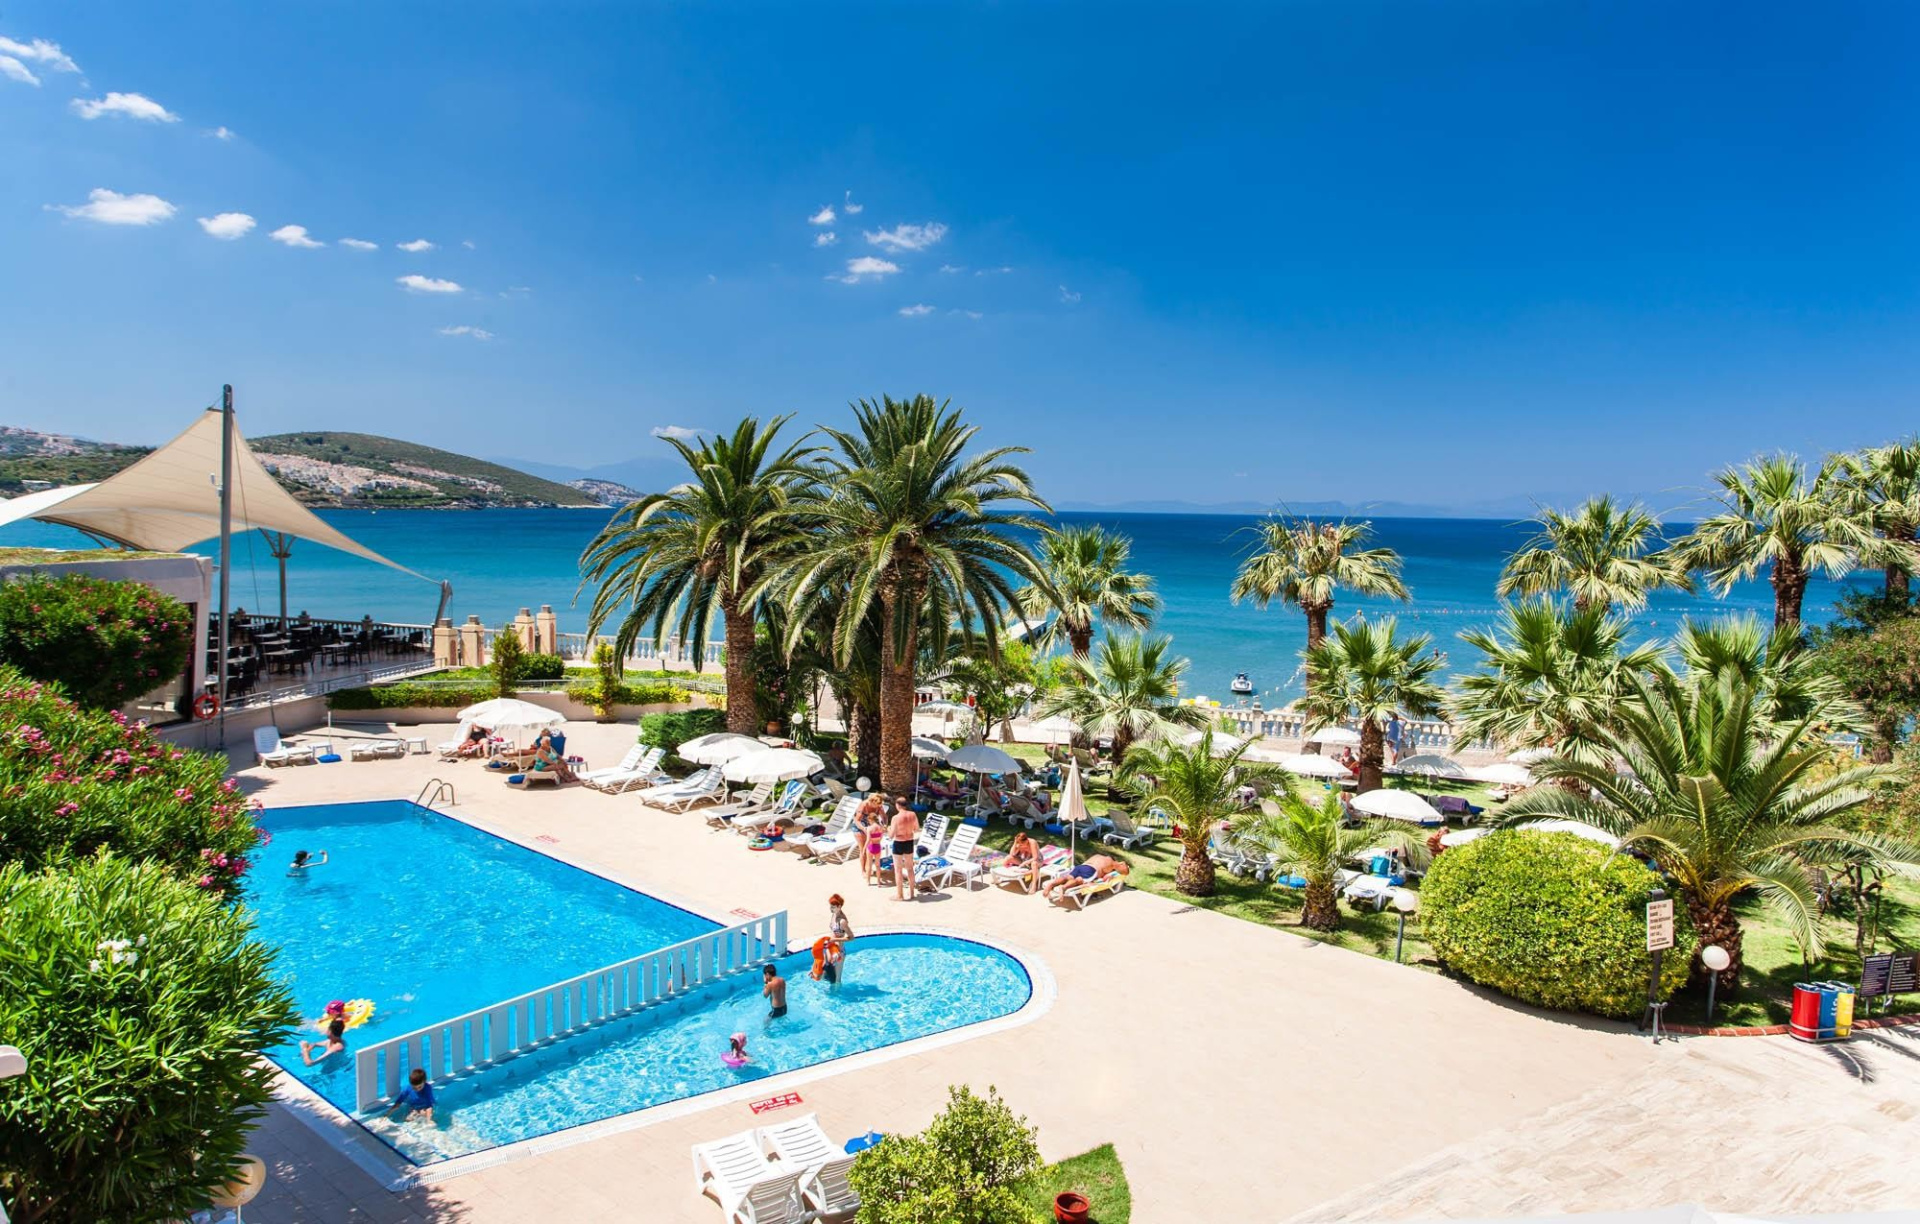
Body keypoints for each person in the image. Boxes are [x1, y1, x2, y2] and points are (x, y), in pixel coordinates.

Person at [1041, 853, 1130, 901]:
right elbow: (1104, 878)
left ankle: (1052, 883)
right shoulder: (1111, 864)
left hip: (1080, 866)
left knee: (1068, 877)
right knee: (1078, 881)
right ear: (1121, 864)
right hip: (1090, 870)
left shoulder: (1098, 856)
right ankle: (1063, 887)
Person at [888, 799, 920, 902]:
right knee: (910, 868)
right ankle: (912, 893)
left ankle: (900, 895)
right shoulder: (912, 815)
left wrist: (888, 829)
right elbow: (916, 829)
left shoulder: (895, 818)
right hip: (909, 842)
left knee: (898, 870)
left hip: (899, 842)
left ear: (897, 805)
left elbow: (891, 835)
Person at [855, 794, 887, 885]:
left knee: (871, 847)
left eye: (879, 805)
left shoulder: (879, 805)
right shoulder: (863, 805)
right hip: (860, 826)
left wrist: (884, 825)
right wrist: (864, 829)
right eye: (876, 804)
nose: (878, 806)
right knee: (863, 849)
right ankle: (863, 870)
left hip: (871, 826)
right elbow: (857, 820)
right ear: (871, 801)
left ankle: (870, 870)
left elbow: (884, 817)